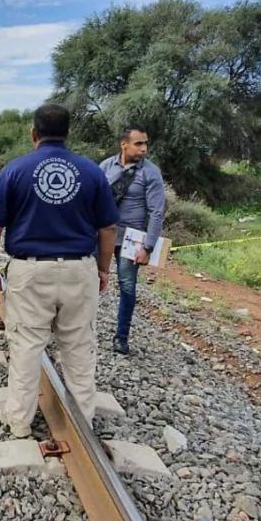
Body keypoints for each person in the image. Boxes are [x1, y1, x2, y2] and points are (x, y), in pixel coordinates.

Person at [0, 103, 119, 437]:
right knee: (79, 346)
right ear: (68, 133)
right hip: (79, 269)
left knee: (27, 345)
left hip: (30, 272)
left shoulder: (14, 170)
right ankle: (82, 421)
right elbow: (108, 229)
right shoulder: (91, 171)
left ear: (34, 134)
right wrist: (103, 270)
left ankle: (19, 420)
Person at [98, 127, 166, 355]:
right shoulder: (106, 167)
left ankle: (121, 337)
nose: (144, 148)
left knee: (127, 287)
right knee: (88, 281)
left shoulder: (151, 172)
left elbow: (157, 212)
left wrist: (148, 246)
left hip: (131, 239)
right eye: (138, 144)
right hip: (103, 234)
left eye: (145, 143)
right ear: (123, 144)